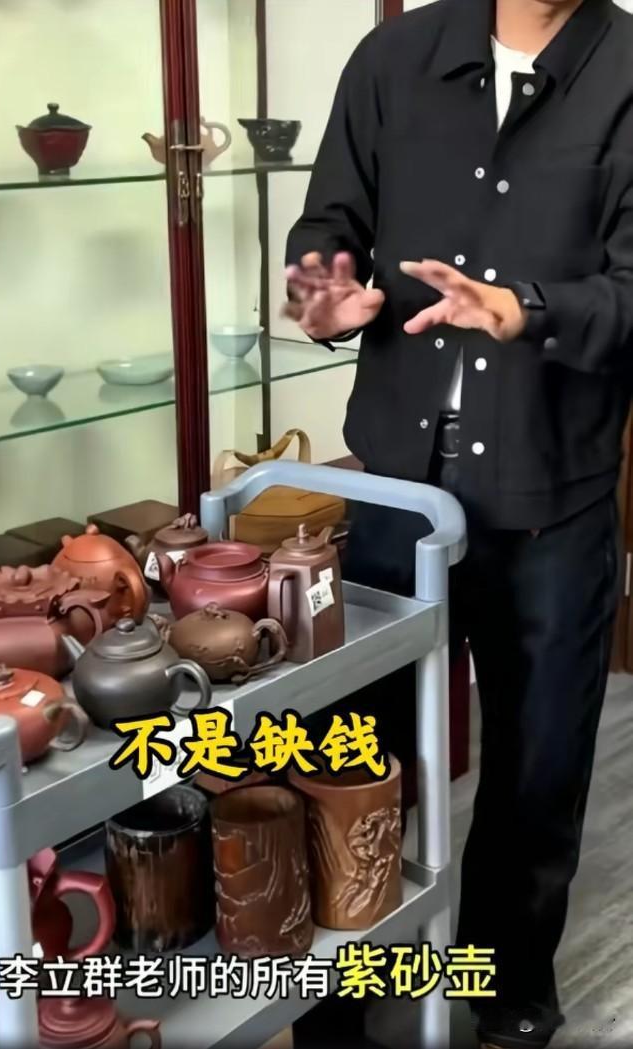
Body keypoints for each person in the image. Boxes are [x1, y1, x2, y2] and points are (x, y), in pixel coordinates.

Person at [285, 0, 633, 1046]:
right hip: (397, 487)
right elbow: (326, 225)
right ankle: (341, 990)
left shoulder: (626, 70)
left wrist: (526, 309)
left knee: (538, 763)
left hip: (552, 493)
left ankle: (507, 978)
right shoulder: (393, 58)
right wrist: (320, 289)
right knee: (355, 755)